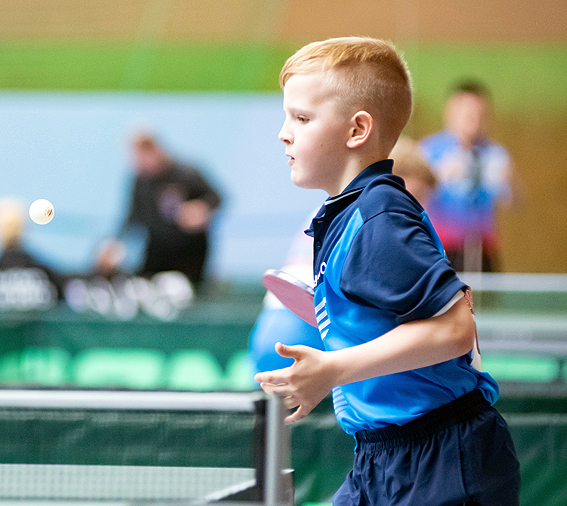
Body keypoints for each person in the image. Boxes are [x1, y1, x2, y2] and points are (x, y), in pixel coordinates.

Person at [254, 37, 520, 506]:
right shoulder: (346, 215)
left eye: (301, 118)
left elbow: (455, 330)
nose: (283, 133)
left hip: (439, 459)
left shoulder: (378, 216)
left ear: (357, 129)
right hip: (383, 453)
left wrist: (332, 369)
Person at [97, 134, 222, 289]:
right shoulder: (140, 181)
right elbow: (131, 216)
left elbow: (216, 197)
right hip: (156, 249)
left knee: (188, 290)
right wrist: (116, 243)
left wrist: (201, 207)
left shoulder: (186, 173)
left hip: (189, 250)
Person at [420, 81, 521, 272]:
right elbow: (412, 201)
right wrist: (438, 178)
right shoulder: (428, 151)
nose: (474, 120)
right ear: (451, 112)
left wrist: (511, 181)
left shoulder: (495, 154)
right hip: (442, 248)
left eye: (480, 114)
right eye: (468, 114)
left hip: (484, 250)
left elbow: (515, 203)